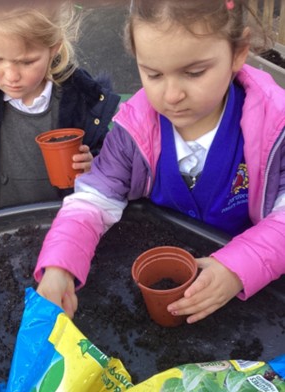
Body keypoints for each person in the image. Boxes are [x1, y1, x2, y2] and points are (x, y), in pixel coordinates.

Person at [35, 0, 285, 324]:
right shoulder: (133, 131)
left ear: (238, 52)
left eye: (194, 73)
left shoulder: (274, 126)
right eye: (153, 74)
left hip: (253, 298)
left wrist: (239, 268)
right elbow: (92, 201)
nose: (171, 95)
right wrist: (59, 265)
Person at [0, 2, 120, 264]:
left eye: (27, 61)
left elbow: (113, 164)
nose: (11, 75)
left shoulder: (82, 100)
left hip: (59, 235)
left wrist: (93, 164)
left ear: (54, 49)